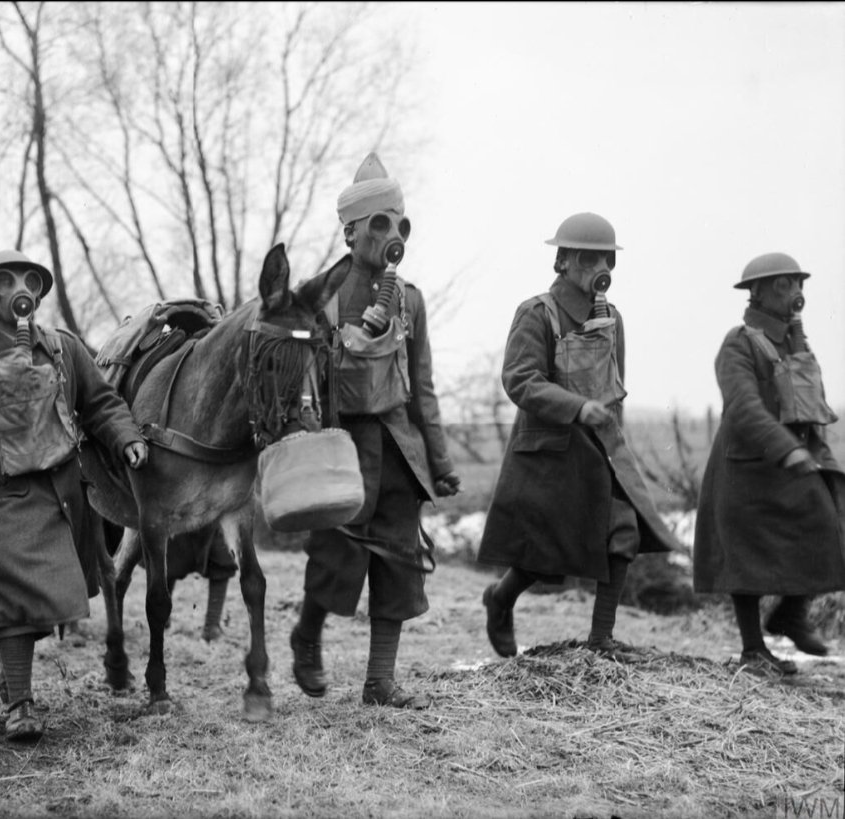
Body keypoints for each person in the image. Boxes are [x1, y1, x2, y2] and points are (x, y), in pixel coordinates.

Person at [0, 249, 149, 742]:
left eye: (30, 280)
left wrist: (126, 437)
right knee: (11, 602)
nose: (19, 289)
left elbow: (101, 404)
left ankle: (12, 668)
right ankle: (20, 703)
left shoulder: (64, 349)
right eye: (4, 281)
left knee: (47, 597)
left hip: (60, 496)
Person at [288, 153, 461, 710]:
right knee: (336, 559)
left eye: (399, 224)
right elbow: (295, 381)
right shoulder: (316, 297)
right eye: (379, 223)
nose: (392, 236)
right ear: (350, 231)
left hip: (397, 448)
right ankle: (306, 638)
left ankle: (379, 680)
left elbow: (424, 385)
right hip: (341, 445)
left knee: (399, 563)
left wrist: (440, 461)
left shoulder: (408, 299)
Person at [477, 212, 679, 660]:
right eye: (587, 258)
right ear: (563, 261)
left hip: (601, 448)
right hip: (549, 452)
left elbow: (615, 385)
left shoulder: (613, 320)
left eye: (605, 258)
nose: (597, 267)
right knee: (544, 553)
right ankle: (501, 599)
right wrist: (575, 407)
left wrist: (615, 446)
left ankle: (601, 639)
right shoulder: (536, 313)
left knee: (622, 533)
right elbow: (520, 380)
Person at [693, 252, 844, 676]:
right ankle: (753, 649)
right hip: (745, 466)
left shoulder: (793, 342)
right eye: (784, 285)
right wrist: (786, 448)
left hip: (790, 460)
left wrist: (808, 451)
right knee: (745, 556)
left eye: (799, 285)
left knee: (827, 521)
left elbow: (809, 399)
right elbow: (743, 407)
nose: (796, 293)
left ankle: (790, 614)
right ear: (756, 292)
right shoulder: (738, 343)